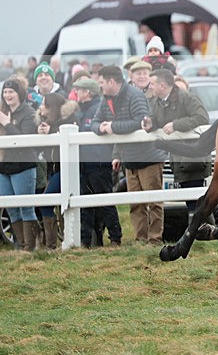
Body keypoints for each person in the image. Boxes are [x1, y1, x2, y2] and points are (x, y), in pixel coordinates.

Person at [92, 65, 165, 244]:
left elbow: (140, 122)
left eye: (102, 82)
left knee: (154, 201)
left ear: (111, 82)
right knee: (135, 203)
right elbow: (95, 122)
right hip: (129, 158)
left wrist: (113, 127)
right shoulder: (106, 100)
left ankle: (154, 239)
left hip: (149, 157)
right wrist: (102, 129)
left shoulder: (135, 96)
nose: (100, 86)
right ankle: (141, 239)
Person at [143, 69, 211, 220]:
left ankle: (201, 229)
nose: (150, 87)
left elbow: (202, 118)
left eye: (152, 83)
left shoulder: (186, 97)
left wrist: (176, 124)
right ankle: (202, 229)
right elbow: (157, 119)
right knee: (192, 201)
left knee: (197, 200)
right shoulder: (158, 102)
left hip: (193, 156)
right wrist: (151, 123)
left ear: (162, 85)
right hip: (178, 157)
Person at [73, 77, 122, 247]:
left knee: (105, 201)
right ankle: (88, 241)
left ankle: (114, 238)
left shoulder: (98, 109)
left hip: (99, 163)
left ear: (87, 92)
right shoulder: (82, 110)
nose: (75, 92)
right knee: (87, 203)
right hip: (86, 164)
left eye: (78, 89)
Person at [36, 92, 79, 249]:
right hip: (53, 169)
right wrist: (40, 132)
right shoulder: (46, 122)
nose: (40, 107)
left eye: (43, 104)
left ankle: (52, 244)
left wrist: (51, 131)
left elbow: (67, 134)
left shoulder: (69, 119)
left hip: (66, 170)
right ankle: (58, 240)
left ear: (51, 107)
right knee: (54, 203)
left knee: (46, 203)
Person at [0, 78, 39, 251]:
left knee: (26, 208)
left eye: (11, 92)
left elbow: (24, 141)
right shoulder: (2, 110)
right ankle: (19, 245)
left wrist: (6, 124)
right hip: (3, 167)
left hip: (23, 166)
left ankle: (29, 247)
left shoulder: (28, 113)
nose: (7, 95)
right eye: (5, 92)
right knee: (11, 209)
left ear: (19, 94)